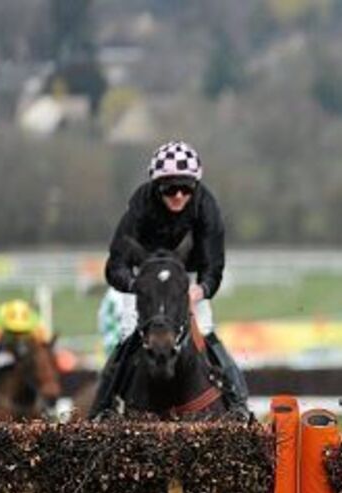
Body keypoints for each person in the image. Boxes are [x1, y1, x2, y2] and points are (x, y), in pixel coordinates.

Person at [89, 140, 248, 417]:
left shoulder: (206, 206)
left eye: (186, 188)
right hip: (146, 280)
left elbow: (213, 265)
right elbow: (115, 265)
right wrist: (137, 286)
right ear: (156, 187)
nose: (178, 195)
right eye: (169, 189)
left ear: (195, 187)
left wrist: (200, 290)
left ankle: (238, 403)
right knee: (128, 336)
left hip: (186, 278)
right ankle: (101, 409)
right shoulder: (140, 204)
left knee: (205, 329)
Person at [0, 299, 48, 365]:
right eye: (14, 331)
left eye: (22, 332)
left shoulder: (35, 323)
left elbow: (46, 346)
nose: (18, 336)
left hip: (29, 347)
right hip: (3, 347)